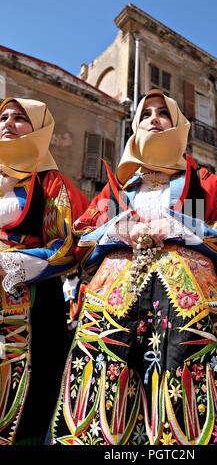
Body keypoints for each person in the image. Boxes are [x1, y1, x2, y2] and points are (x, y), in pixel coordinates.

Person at [48, 90, 217, 446]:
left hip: (185, 308)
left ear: (177, 125)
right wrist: (116, 230)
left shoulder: (201, 184)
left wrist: (179, 229)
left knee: (185, 394)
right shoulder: (119, 190)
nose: (153, 119)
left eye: (163, 113)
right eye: (146, 114)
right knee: (108, 391)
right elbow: (81, 236)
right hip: (115, 306)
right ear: (136, 126)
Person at [0, 97, 89, 445]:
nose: (7, 122)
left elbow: (65, 247)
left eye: (20, 118)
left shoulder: (49, 183)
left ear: (38, 129)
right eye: (2, 117)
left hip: (30, 304)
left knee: (24, 400)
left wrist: (11, 263)